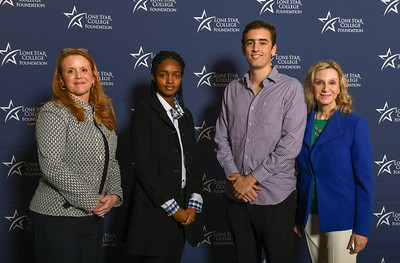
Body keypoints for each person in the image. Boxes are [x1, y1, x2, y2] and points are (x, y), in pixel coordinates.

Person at [214, 20, 307, 263]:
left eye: (263, 43)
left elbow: (290, 146)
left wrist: (251, 180)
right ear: (244, 49)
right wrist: (236, 178)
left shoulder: (291, 89)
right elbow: (221, 138)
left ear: (273, 49)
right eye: (250, 43)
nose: (256, 48)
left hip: (275, 197)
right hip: (236, 197)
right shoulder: (232, 90)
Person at [29, 48, 123, 263]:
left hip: (92, 217)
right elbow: (52, 166)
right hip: (57, 217)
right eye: (71, 71)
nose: (79, 75)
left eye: (84, 69)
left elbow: (112, 160)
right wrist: (93, 201)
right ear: (61, 79)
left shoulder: (102, 114)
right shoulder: (54, 111)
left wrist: (115, 194)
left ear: (94, 76)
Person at [126, 51, 204, 263]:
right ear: (153, 76)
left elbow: (193, 162)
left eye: (176, 75)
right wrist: (174, 208)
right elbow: (145, 167)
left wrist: (193, 205)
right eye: (164, 75)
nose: (170, 81)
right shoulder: (144, 113)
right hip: (156, 213)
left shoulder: (185, 115)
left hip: (185, 214)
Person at [294, 60, 373, 263]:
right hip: (309, 216)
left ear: (340, 88)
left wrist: (361, 228)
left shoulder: (354, 124)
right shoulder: (302, 122)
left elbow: (364, 181)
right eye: (320, 83)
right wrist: (298, 215)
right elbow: (300, 173)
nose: (325, 88)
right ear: (312, 87)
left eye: (332, 83)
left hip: (341, 216)